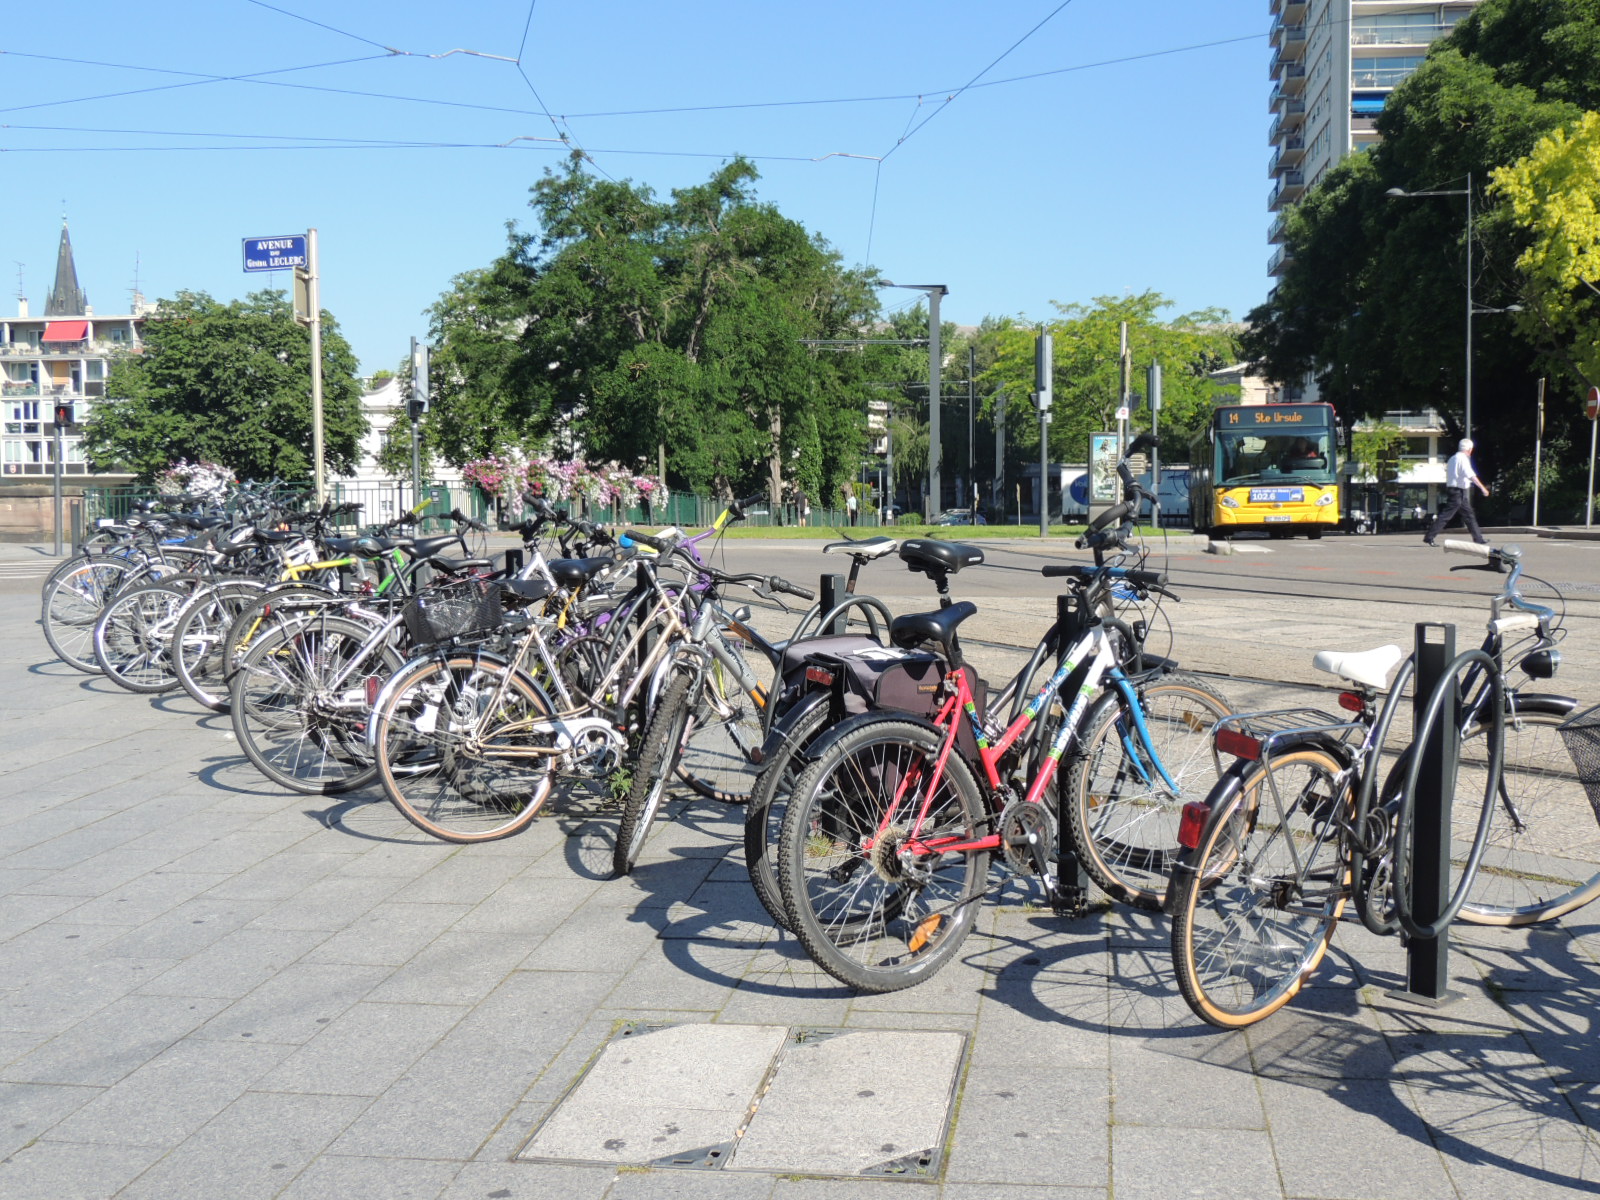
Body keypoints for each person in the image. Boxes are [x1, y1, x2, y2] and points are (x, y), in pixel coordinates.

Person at [1424, 437, 1489, 546]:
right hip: (1457, 492)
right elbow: (1471, 475)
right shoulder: (1462, 459)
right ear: (1469, 449)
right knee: (1446, 515)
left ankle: (1478, 539)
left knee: (1469, 515)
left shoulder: (1452, 458)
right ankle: (1429, 537)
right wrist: (1483, 488)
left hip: (1455, 490)